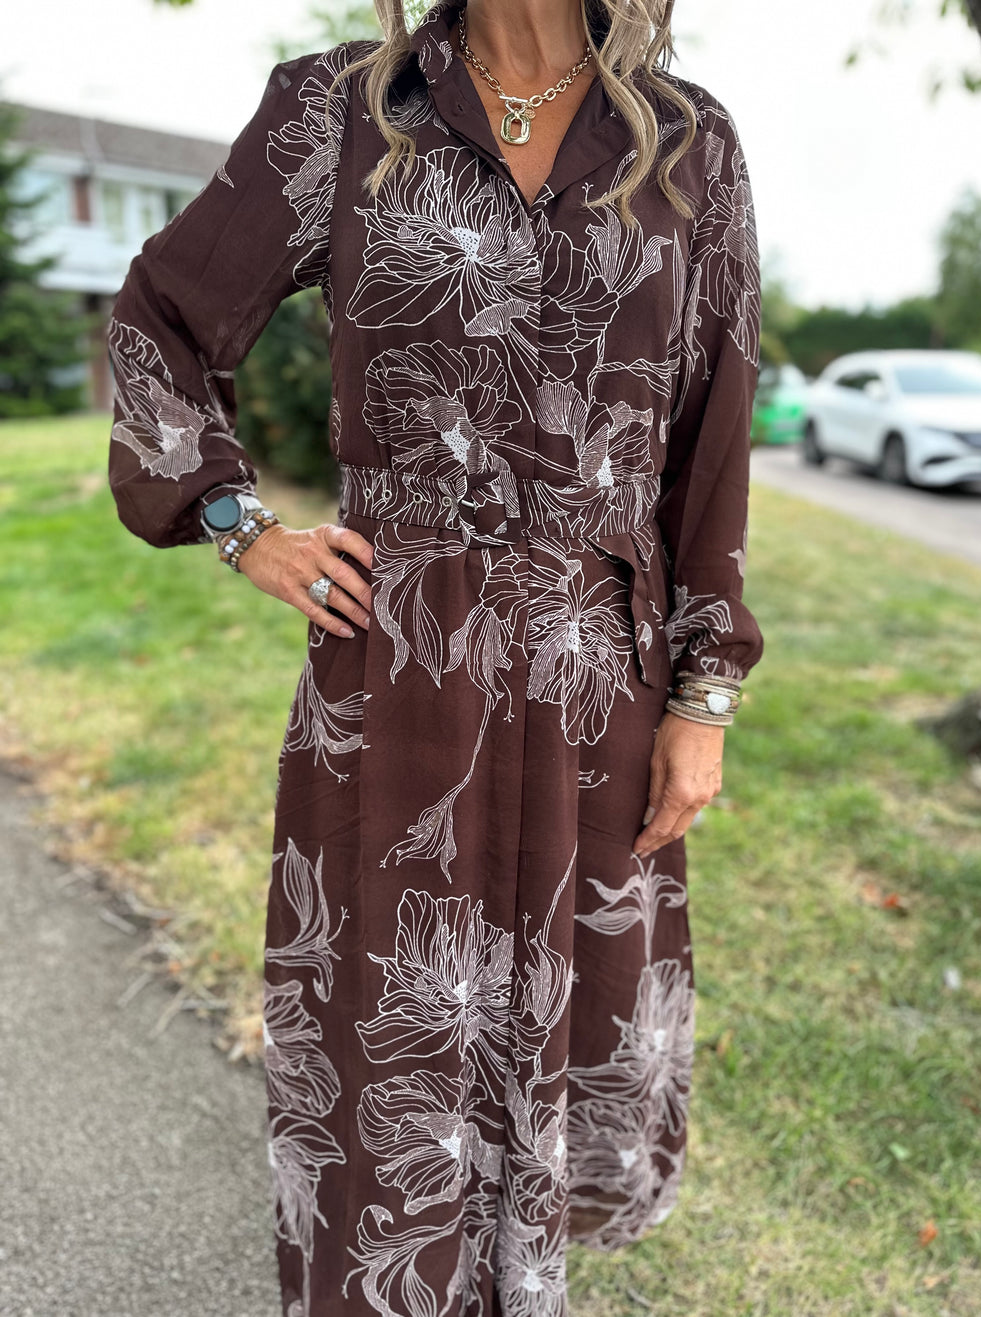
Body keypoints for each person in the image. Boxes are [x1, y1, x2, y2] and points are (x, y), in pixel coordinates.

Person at [106, 0, 764, 1311]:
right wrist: (238, 524)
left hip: (598, 678)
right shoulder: (341, 112)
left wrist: (706, 695)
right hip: (398, 669)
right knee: (393, 1037)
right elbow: (160, 318)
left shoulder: (688, 142)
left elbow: (714, 434)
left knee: (561, 1031)